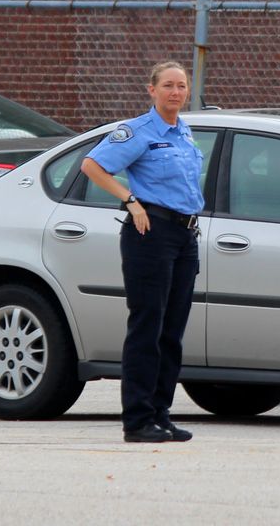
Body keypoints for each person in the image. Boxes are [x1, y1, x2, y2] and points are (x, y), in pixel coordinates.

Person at [80, 61, 204, 443]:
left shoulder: (184, 131)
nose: (175, 92)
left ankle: (160, 412)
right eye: (167, 85)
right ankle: (137, 419)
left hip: (184, 235)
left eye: (181, 86)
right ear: (151, 90)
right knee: (147, 326)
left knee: (172, 330)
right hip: (151, 233)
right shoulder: (137, 130)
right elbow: (92, 166)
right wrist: (131, 201)